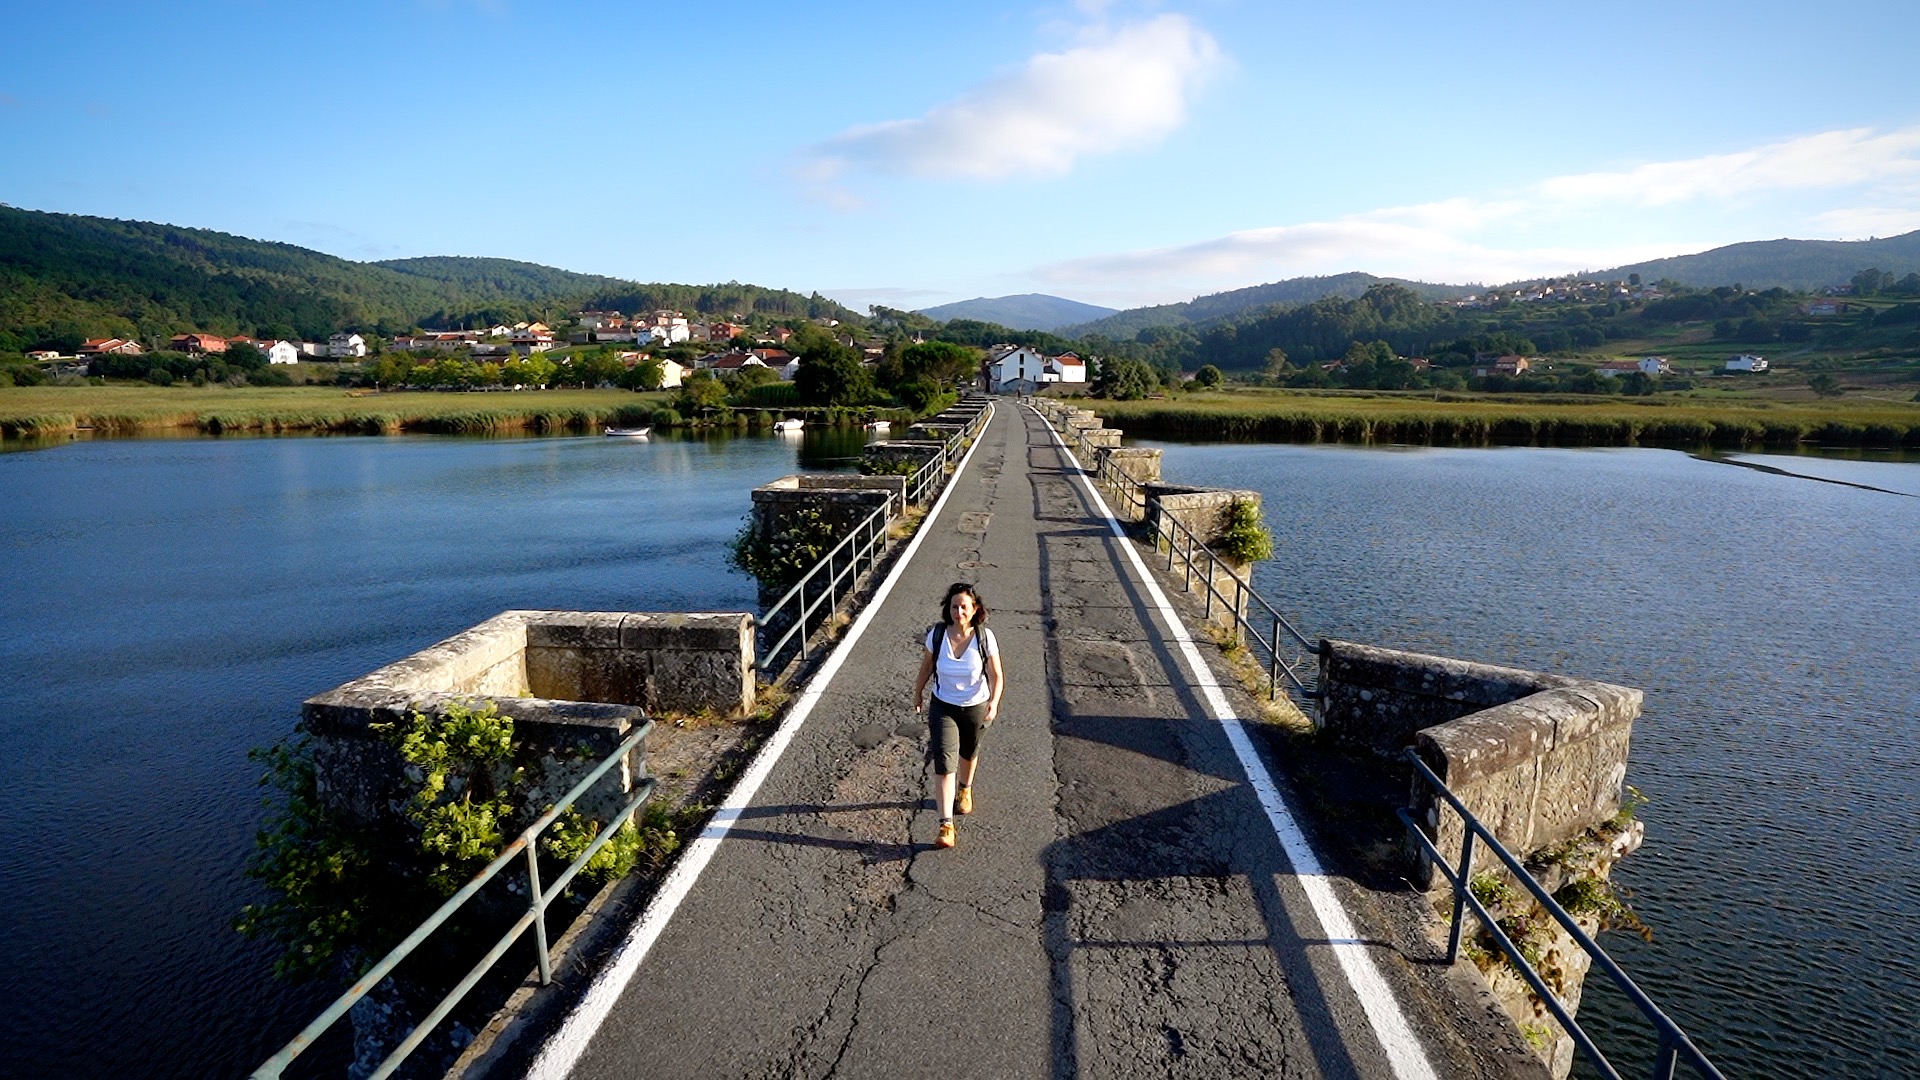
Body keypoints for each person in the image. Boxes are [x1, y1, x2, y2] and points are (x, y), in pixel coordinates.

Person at [911, 582, 1003, 849]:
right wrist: (917, 692)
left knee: (969, 752)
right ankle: (946, 825)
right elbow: (926, 666)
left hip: (977, 705)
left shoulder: (985, 638)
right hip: (944, 705)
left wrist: (994, 702)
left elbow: (997, 675)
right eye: (954, 606)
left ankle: (965, 788)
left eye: (964, 607)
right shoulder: (938, 635)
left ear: (974, 610)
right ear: (948, 609)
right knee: (943, 761)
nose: (958, 612)